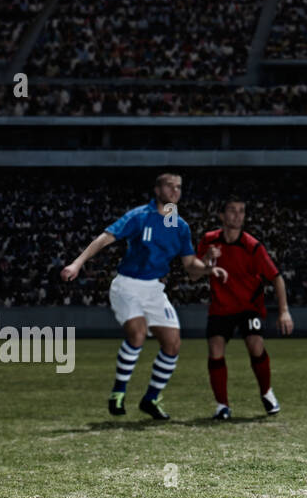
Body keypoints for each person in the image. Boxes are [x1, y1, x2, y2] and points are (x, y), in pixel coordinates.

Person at [60, 172, 226, 420]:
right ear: (157, 190)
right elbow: (106, 238)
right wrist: (76, 264)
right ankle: (118, 392)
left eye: (179, 187)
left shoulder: (178, 226)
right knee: (137, 334)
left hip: (154, 290)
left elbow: (191, 266)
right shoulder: (140, 216)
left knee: (172, 344)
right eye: (170, 187)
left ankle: (151, 398)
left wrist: (209, 266)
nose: (175, 192)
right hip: (128, 286)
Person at [198, 194, 292, 419]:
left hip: (249, 307)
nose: (238, 215)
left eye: (241, 211)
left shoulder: (252, 246)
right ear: (221, 215)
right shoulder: (209, 240)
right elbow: (193, 274)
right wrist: (206, 260)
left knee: (255, 344)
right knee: (215, 350)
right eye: (232, 210)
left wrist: (284, 311)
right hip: (221, 307)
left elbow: (277, 277)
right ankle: (222, 406)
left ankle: (267, 392)